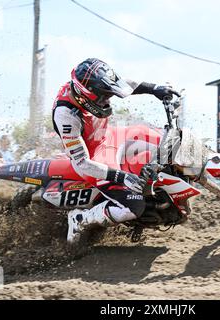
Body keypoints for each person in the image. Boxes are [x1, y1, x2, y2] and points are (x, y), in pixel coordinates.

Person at [52, 58, 180, 244]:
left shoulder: (88, 86)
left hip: (110, 136)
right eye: (103, 97)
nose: (107, 100)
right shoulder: (66, 115)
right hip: (94, 158)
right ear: (85, 95)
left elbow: (123, 85)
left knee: (155, 135)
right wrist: (123, 177)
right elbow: (82, 163)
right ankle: (80, 219)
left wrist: (154, 89)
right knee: (133, 205)